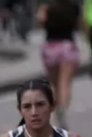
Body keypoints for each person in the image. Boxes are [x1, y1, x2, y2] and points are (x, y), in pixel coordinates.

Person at [37, 0, 82, 129]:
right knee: (65, 82)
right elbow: (80, 25)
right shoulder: (74, 7)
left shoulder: (47, 6)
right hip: (67, 46)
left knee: (55, 84)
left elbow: (41, 21)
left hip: (50, 47)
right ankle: (62, 109)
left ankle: (55, 109)